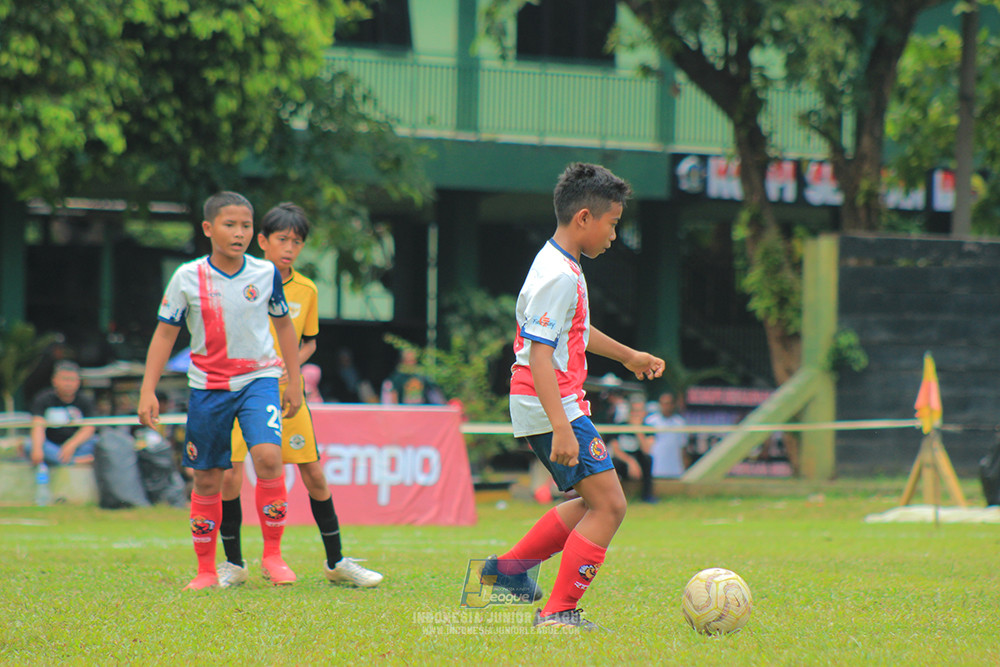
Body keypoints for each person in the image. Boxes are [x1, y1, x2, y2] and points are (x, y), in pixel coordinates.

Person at [485, 162, 665, 631]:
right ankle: (557, 613)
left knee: (593, 501)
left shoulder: (561, 264)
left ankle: (506, 573)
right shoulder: (560, 275)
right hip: (551, 404)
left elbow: (575, 331)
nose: (614, 235)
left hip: (552, 402)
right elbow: (539, 356)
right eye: (613, 223)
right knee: (611, 505)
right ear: (584, 217)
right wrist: (562, 427)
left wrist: (629, 356)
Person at [137, 191, 303, 591]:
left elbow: (284, 326)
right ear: (208, 229)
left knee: (268, 458)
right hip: (208, 387)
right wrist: (148, 390)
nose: (239, 233)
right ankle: (206, 571)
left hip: (259, 380)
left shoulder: (265, 273)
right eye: (230, 225)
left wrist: (294, 381)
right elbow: (165, 333)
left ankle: (273, 556)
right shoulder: (187, 277)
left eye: (246, 226)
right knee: (208, 478)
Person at [217, 202, 383, 589]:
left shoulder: (306, 289)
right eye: (282, 240)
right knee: (229, 474)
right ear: (263, 241)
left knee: (314, 474)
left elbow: (308, 342)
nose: (289, 248)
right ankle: (234, 563)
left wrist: (289, 370)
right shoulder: (240, 282)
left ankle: (336, 561)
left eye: (297, 242)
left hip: (287, 394)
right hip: (239, 392)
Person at [29, 361, 98, 466]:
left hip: (78, 445)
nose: (68, 384)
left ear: (79, 382)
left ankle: (59, 460)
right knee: (29, 445)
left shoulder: (85, 400)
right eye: (65, 379)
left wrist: (71, 445)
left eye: (72, 380)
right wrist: (37, 449)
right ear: (54, 380)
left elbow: (89, 428)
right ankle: (76, 461)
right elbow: (38, 425)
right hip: (51, 444)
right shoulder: (43, 399)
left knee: (99, 442)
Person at [609, 395, 656, 503]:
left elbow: (646, 450)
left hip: (639, 459)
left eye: (639, 411)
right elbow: (615, 450)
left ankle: (647, 495)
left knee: (648, 460)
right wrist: (631, 462)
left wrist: (638, 431)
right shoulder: (619, 427)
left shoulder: (648, 429)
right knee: (613, 463)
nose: (636, 415)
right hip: (624, 459)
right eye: (634, 411)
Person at [380, 348, 445, 405]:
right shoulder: (397, 378)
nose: (411, 363)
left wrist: (443, 405)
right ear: (403, 361)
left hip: (420, 410)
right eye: (408, 361)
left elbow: (434, 392)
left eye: (412, 360)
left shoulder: (422, 376)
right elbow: (393, 395)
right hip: (404, 411)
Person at [647, 391, 688, 478]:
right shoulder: (651, 421)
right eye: (663, 404)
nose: (666, 406)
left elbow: (683, 447)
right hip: (656, 468)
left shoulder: (680, 423)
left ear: (673, 405)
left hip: (675, 468)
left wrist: (684, 467)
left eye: (668, 404)